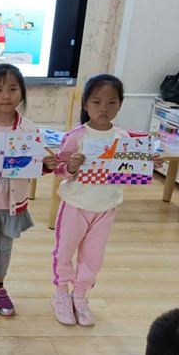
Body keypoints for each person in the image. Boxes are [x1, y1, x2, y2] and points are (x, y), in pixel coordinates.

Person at [50, 74, 162, 326]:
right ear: (85, 104)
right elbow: (58, 170)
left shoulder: (123, 138)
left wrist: (147, 164)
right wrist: (71, 166)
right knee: (64, 250)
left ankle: (80, 295)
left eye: (111, 102)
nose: (104, 108)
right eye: (97, 102)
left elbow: (130, 171)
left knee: (94, 256)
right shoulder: (76, 136)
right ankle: (61, 294)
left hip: (106, 208)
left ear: (120, 105)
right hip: (75, 205)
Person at [0, 64, 56, 317]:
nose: (6, 95)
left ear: (22, 93)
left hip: (13, 204)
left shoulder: (30, 131)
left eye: (13, 89)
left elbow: (32, 167)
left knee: (5, 248)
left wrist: (46, 165)